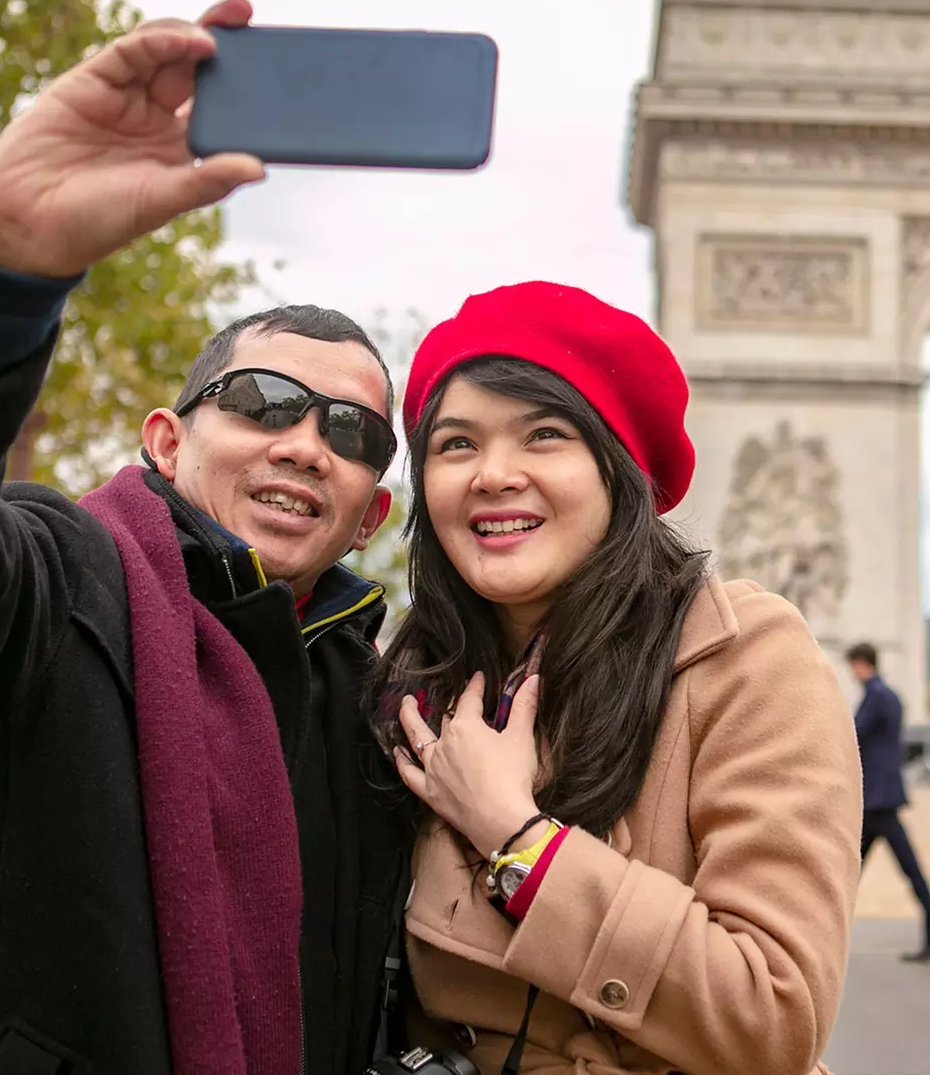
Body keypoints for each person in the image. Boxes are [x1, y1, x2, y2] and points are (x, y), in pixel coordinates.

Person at [0, 0, 417, 1074]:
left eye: (350, 432)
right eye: (260, 401)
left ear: (370, 510)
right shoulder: (47, 586)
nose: (304, 443)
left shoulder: (378, 703)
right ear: (165, 440)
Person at [368, 282, 863, 1074]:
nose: (493, 473)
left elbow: (774, 1017)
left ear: (617, 469)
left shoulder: (746, 659)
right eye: (455, 444)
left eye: (544, 435)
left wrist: (517, 839)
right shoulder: (409, 684)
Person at [847, 640, 930, 963]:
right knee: (902, 872)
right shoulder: (889, 696)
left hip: (875, 801)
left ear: (862, 664)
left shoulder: (875, 696)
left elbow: (852, 736)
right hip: (885, 797)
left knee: (845, 875)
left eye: (853, 666)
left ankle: (816, 943)